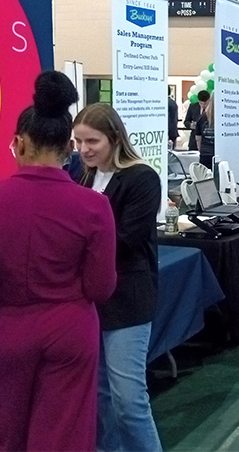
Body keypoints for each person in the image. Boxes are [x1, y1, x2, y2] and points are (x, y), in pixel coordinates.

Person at [0, 71, 117, 451]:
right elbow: (100, 287)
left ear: (18, 143)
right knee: (63, 433)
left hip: (8, 328)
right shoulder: (94, 206)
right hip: (70, 329)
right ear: (69, 146)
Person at [74, 103, 162, 451]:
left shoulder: (142, 178)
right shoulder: (84, 176)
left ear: (114, 138)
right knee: (100, 397)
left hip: (128, 300)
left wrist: (75, 248)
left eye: (92, 141)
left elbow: (127, 239)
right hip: (91, 299)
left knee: (129, 401)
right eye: (78, 141)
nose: (84, 149)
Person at [195, 94, 215, 169]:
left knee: (205, 179)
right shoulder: (225, 117)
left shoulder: (202, 117)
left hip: (205, 154)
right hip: (220, 154)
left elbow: (198, 138)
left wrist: (202, 150)